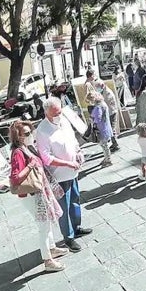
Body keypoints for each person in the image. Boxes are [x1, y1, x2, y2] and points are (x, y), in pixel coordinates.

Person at [35, 97, 93, 253]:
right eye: (55, 114)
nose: (58, 116)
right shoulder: (42, 131)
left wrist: (79, 153)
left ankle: (76, 226)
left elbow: (73, 141)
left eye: (60, 112)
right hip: (59, 175)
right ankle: (68, 237)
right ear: (46, 114)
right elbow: (46, 157)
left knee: (75, 199)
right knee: (64, 206)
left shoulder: (64, 122)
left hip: (73, 171)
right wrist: (67, 163)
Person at [9, 121, 68, 271]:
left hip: (39, 192)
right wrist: (30, 165)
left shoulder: (26, 148)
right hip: (31, 194)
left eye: (31, 132)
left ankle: (52, 248)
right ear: (19, 137)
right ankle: (47, 260)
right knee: (43, 225)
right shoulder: (18, 153)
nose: (31, 135)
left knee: (47, 221)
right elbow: (15, 178)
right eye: (27, 134)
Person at [84, 70, 113, 166]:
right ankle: (107, 158)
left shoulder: (98, 107)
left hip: (102, 129)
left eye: (90, 101)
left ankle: (108, 160)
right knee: (105, 145)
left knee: (104, 145)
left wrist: (92, 119)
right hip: (106, 127)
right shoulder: (103, 103)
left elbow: (98, 118)